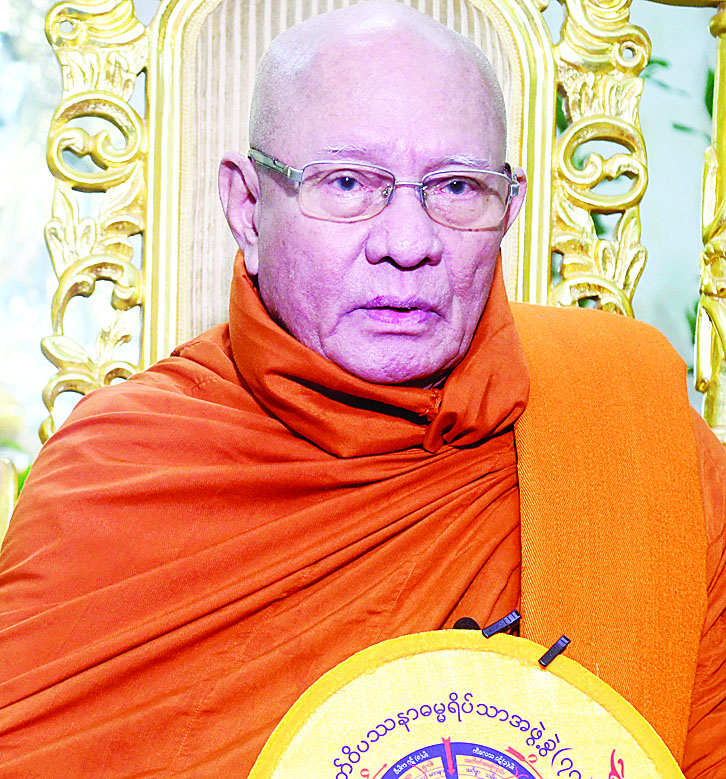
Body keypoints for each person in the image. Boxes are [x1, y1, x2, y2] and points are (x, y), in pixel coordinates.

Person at [0, 2, 724, 777]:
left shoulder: (632, 437)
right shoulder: (121, 474)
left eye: (456, 187)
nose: (407, 244)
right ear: (248, 208)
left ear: (509, 208)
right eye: (347, 182)